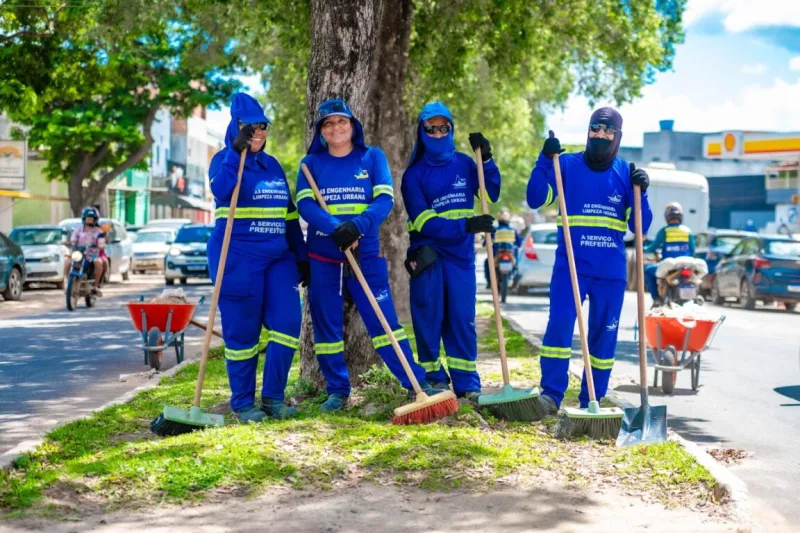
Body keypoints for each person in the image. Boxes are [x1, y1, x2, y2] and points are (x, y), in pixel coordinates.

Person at [295, 98, 441, 412]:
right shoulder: (310, 164)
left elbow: (384, 199)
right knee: (327, 326)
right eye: (328, 123)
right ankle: (337, 390)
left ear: (352, 125)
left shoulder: (372, 157)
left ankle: (415, 382)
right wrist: (336, 228)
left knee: (383, 320)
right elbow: (305, 206)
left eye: (341, 121)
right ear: (321, 130)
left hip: (366, 253)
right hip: (324, 256)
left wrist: (357, 226)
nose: (336, 128)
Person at [526, 107, 653, 416]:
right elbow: (535, 198)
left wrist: (643, 193)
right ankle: (551, 395)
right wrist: (544, 161)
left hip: (610, 274)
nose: (600, 134)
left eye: (608, 130)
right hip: (570, 268)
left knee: (604, 338)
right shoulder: (565, 165)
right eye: (595, 128)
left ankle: (591, 400)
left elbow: (640, 227)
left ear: (617, 136)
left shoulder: (625, 173)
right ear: (588, 130)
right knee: (558, 328)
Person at [208, 93, 308, 423]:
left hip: (278, 259)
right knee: (242, 334)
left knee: (287, 324)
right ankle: (242, 402)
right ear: (235, 128)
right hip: (236, 258)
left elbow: (289, 216)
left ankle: (273, 398)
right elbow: (222, 191)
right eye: (249, 127)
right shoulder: (222, 159)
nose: (258, 132)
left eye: (262, 126)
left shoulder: (273, 165)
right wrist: (235, 153)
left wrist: (301, 255)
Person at [401, 101, 500, 402]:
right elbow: (424, 221)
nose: (437, 132)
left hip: (461, 257)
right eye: (431, 128)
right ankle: (433, 379)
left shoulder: (465, 164)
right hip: (428, 255)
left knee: (462, 318)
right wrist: (466, 226)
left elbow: (489, 193)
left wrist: (486, 161)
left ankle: (466, 382)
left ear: (451, 129)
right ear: (421, 132)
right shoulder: (413, 176)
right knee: (428, 318)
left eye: (443, 127)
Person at [643, 202, 695, 305]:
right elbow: (693, 251)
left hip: (669, 266)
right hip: (685, 265)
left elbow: (652, 248)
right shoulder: (687, 231)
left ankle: (656, 298)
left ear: (667, 216)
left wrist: (644, 248)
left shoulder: (664, 231)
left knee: (648, 270)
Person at [68, 206, 107, 296]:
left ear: (95, 220)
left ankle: (95, 286)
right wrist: (71, 242)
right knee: (67, 262)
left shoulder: (98, 231)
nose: (89, 220)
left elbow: (101, 241)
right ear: (84, 219)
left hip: (92, 254)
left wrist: (101, 244)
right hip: (79, 253)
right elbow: (73, 239)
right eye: (87, 219)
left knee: (98, 263)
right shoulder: (78, 229)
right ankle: (68, 284)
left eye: (91, 219)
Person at [483, 208, 522, 288]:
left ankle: (489, 282)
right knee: (517, 264)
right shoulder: (513, 230)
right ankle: (515, 280)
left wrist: (484, 243)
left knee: (487, 263)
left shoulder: (494, 230)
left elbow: (486, 241)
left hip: (496, 254)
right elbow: (519, 243)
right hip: (511, 254)